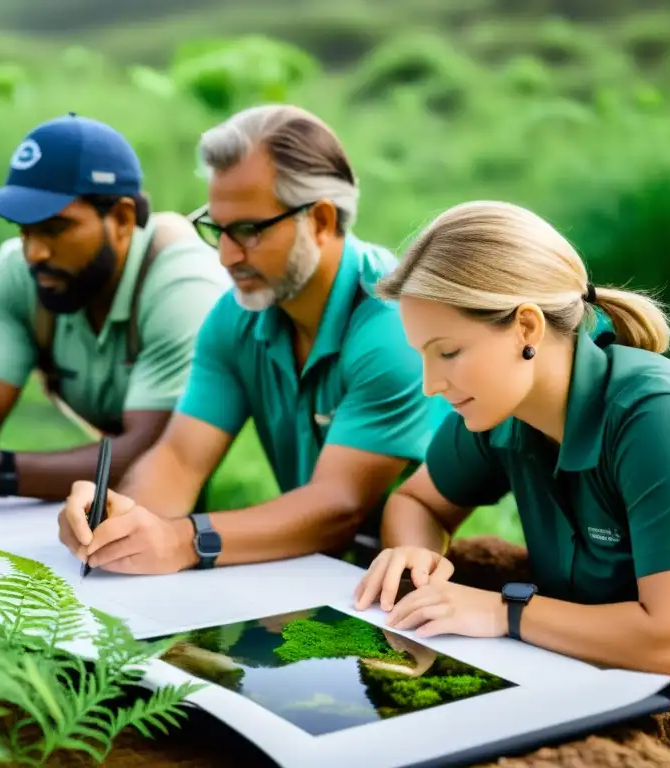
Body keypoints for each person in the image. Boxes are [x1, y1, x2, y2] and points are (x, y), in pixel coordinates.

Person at [352, 200, 670, 708]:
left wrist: (501, 611)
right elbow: (417, 503)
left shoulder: (661, 418)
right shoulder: (496, 410)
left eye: (448, 352)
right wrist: (416, 553)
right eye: (423, 355)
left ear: (526, 328)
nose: (430, 384)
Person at [56, 104, 453, 575]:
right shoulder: (236, 315)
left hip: (420, 575)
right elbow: (180, 458)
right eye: (217, 228)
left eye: (247, 231)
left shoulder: (393, 326)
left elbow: (340, 506)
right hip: (320, 568)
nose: (225, 256)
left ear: (321, 221)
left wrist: (183, 540)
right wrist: (120, 519)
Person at [0, 114, 231, 516]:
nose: (34, 253)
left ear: (120, 220)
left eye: (54, 228)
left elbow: (156, 454)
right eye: (23, 229)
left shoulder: (184, 284)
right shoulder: (18, 271)